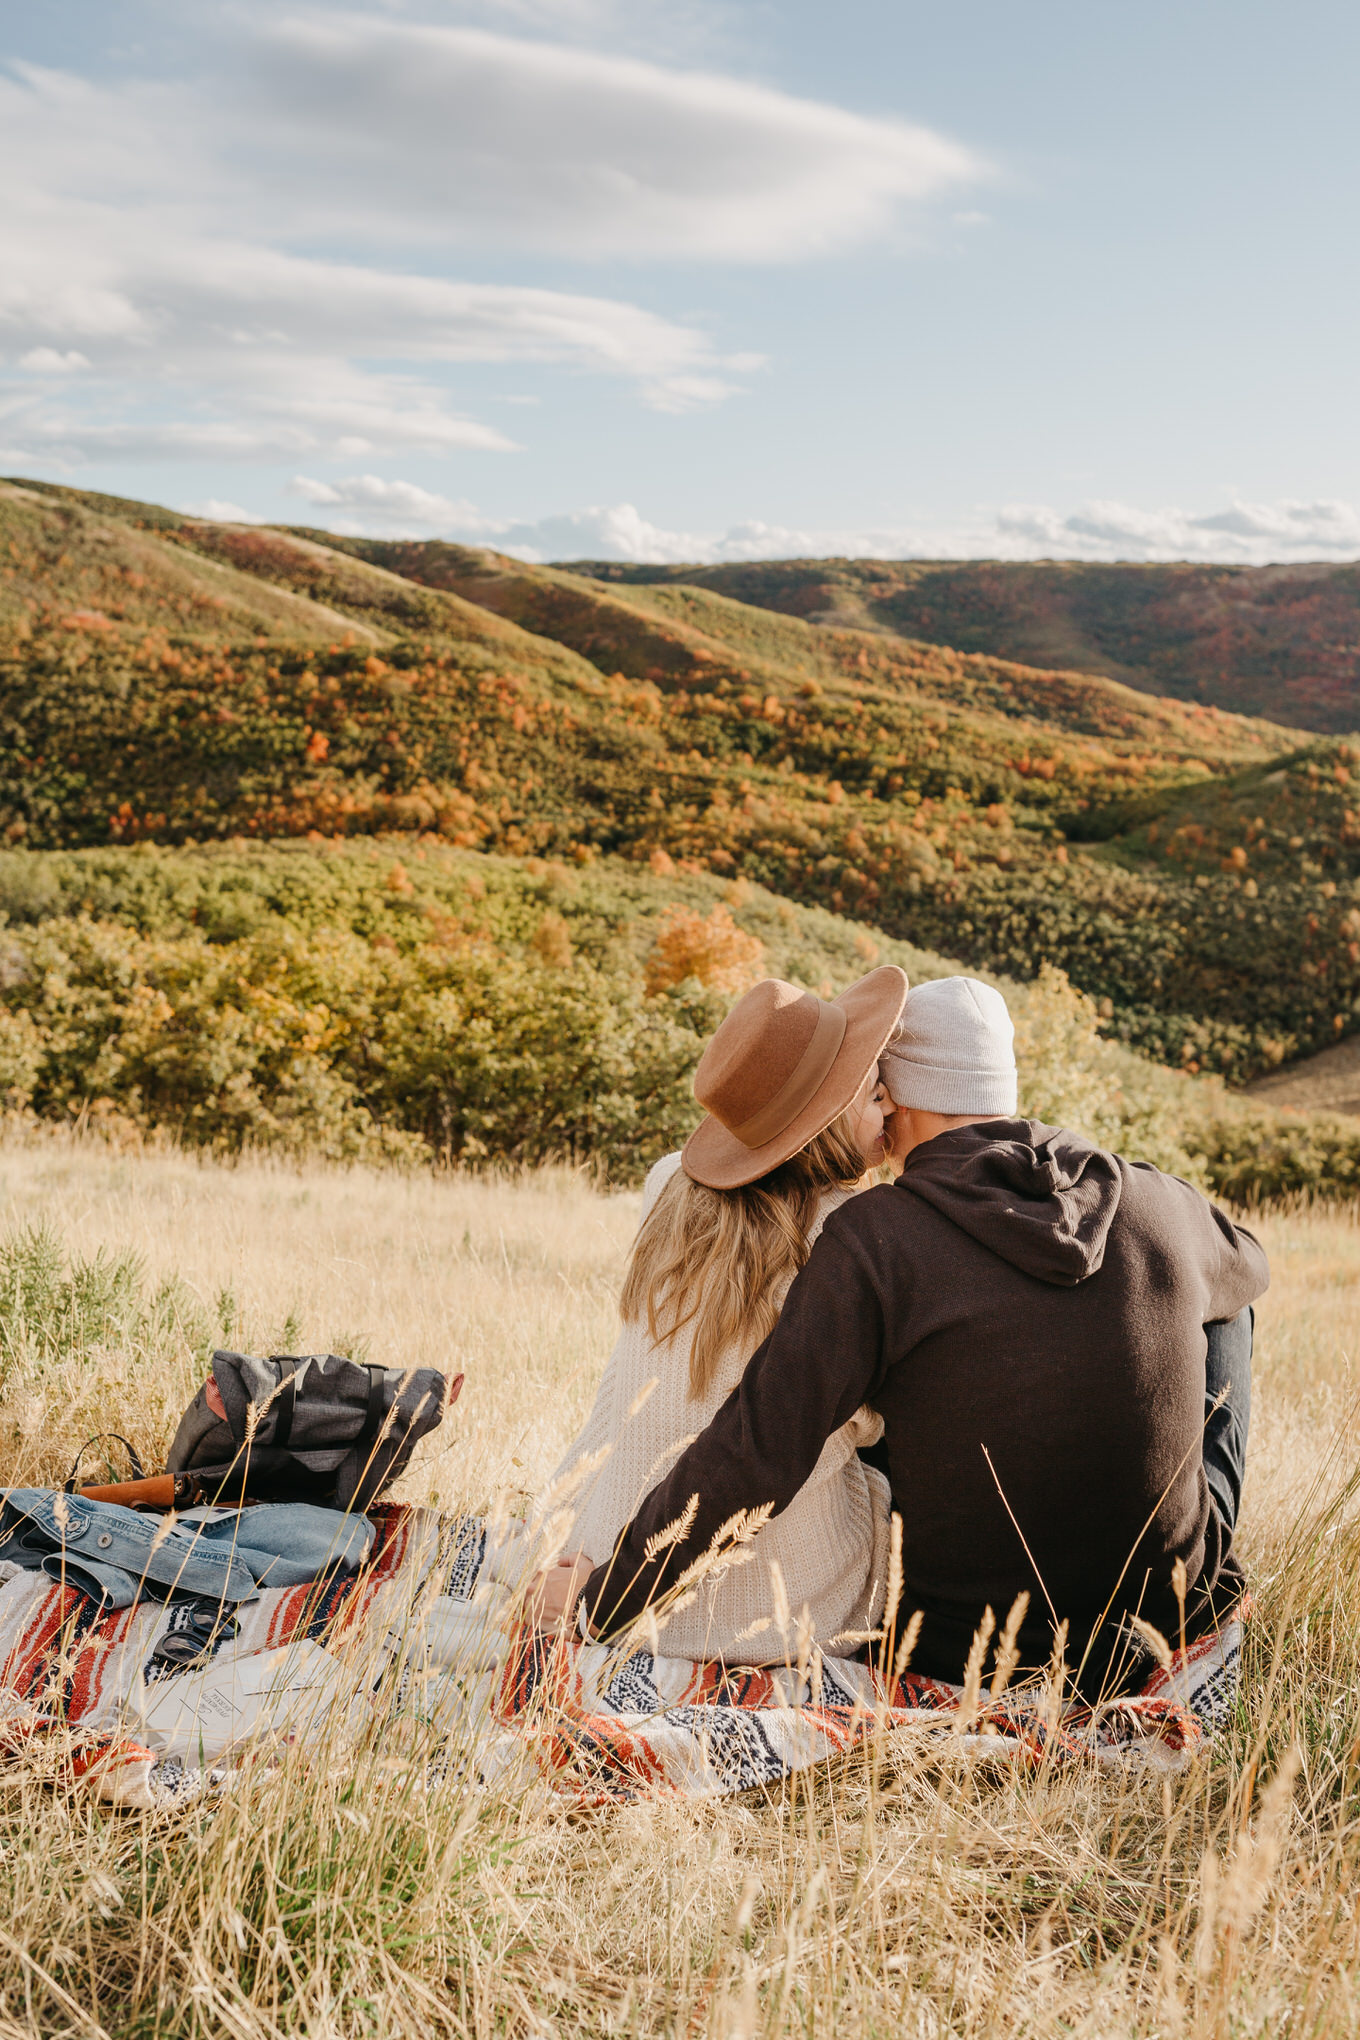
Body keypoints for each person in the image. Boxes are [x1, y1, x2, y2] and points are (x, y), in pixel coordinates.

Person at [547, 974, 1268, 1701]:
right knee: (1226, 1309)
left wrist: (602, 1601)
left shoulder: (873, 1237)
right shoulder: (1157, 1199)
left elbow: (753, 1455)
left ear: (897, 1093)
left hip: (964, 1650)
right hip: (1171, 1615)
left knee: (914, 1365)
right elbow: (1251, 1270)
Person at [523, 964, 909, 1663]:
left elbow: (639, 1382)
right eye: (874, 1093)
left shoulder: (667, 1182)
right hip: (779, 1604)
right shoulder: (856, 1233)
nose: (891, 1110)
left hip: (613, 1549)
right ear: (825, 1121)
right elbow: (868, 1419)